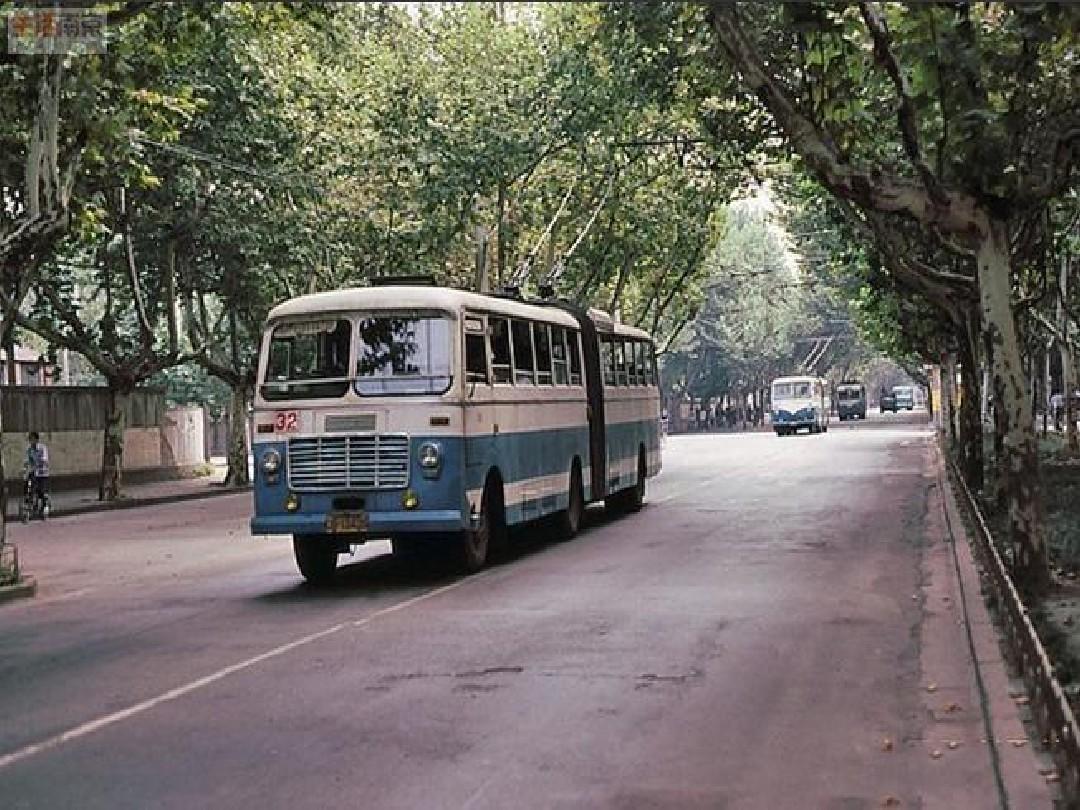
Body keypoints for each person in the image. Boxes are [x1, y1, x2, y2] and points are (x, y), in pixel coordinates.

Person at [25, 431, 50, 515]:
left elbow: (45, 459)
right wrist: (24, 468)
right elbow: (28, 461)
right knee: (29, 485)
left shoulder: (42, 448)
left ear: (36, 439)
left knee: (42, 492)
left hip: (42, 473)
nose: (30, 441)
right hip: (34, 472)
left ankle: (44, 505)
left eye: (32, 439)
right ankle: (30, 501)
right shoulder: (29, 450)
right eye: (29, 439)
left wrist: (39, 462)